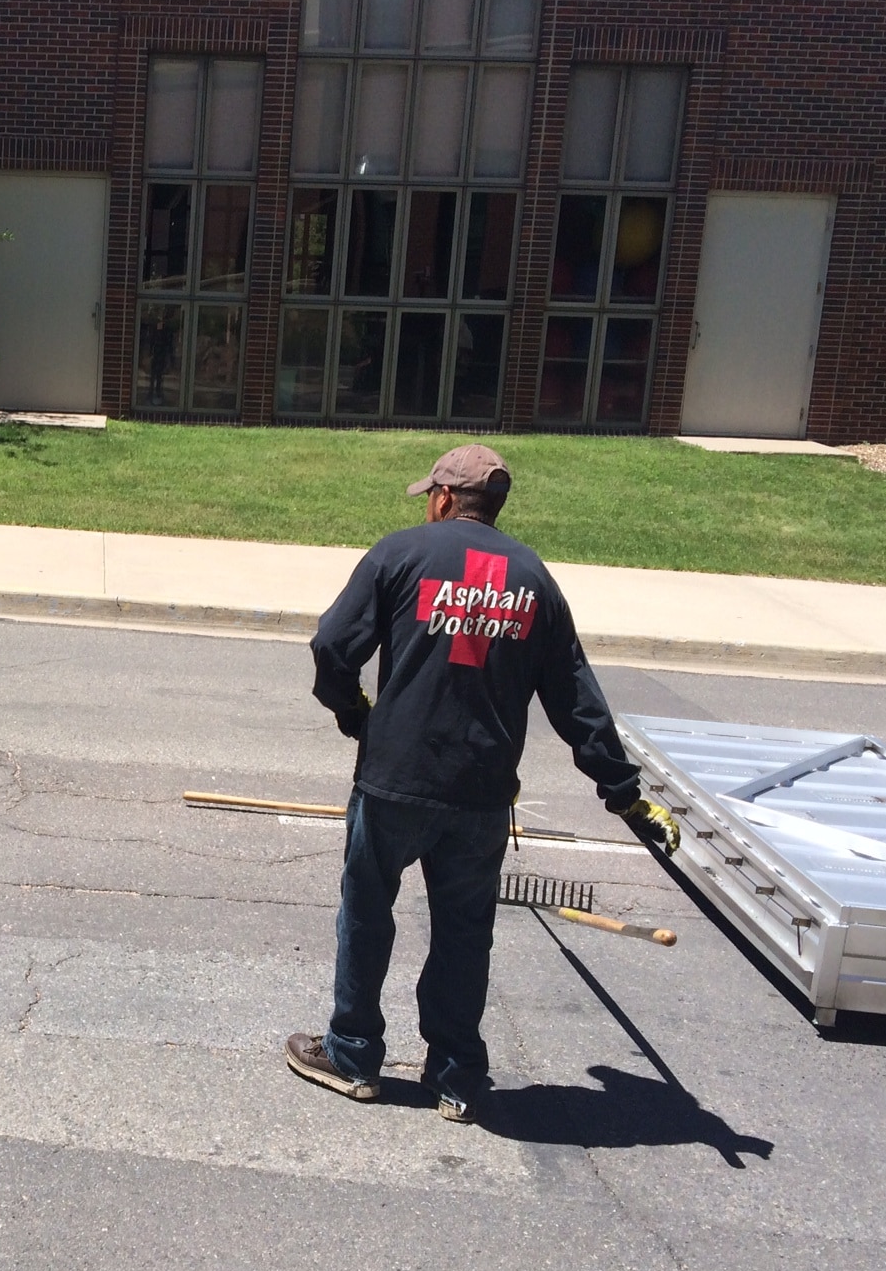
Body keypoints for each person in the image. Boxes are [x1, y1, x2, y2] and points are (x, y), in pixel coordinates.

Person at [285, 444, 681, 1123]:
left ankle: (353, 1055)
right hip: (481, 794)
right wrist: (624, 793)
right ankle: (458, 1076)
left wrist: (355, 713)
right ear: (493, 506)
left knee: (367, 913)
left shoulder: (400, 554)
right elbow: (576, 700)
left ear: (442, 498)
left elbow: (330, 646)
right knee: (465, 932)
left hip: (394, 784)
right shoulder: (534, 579)